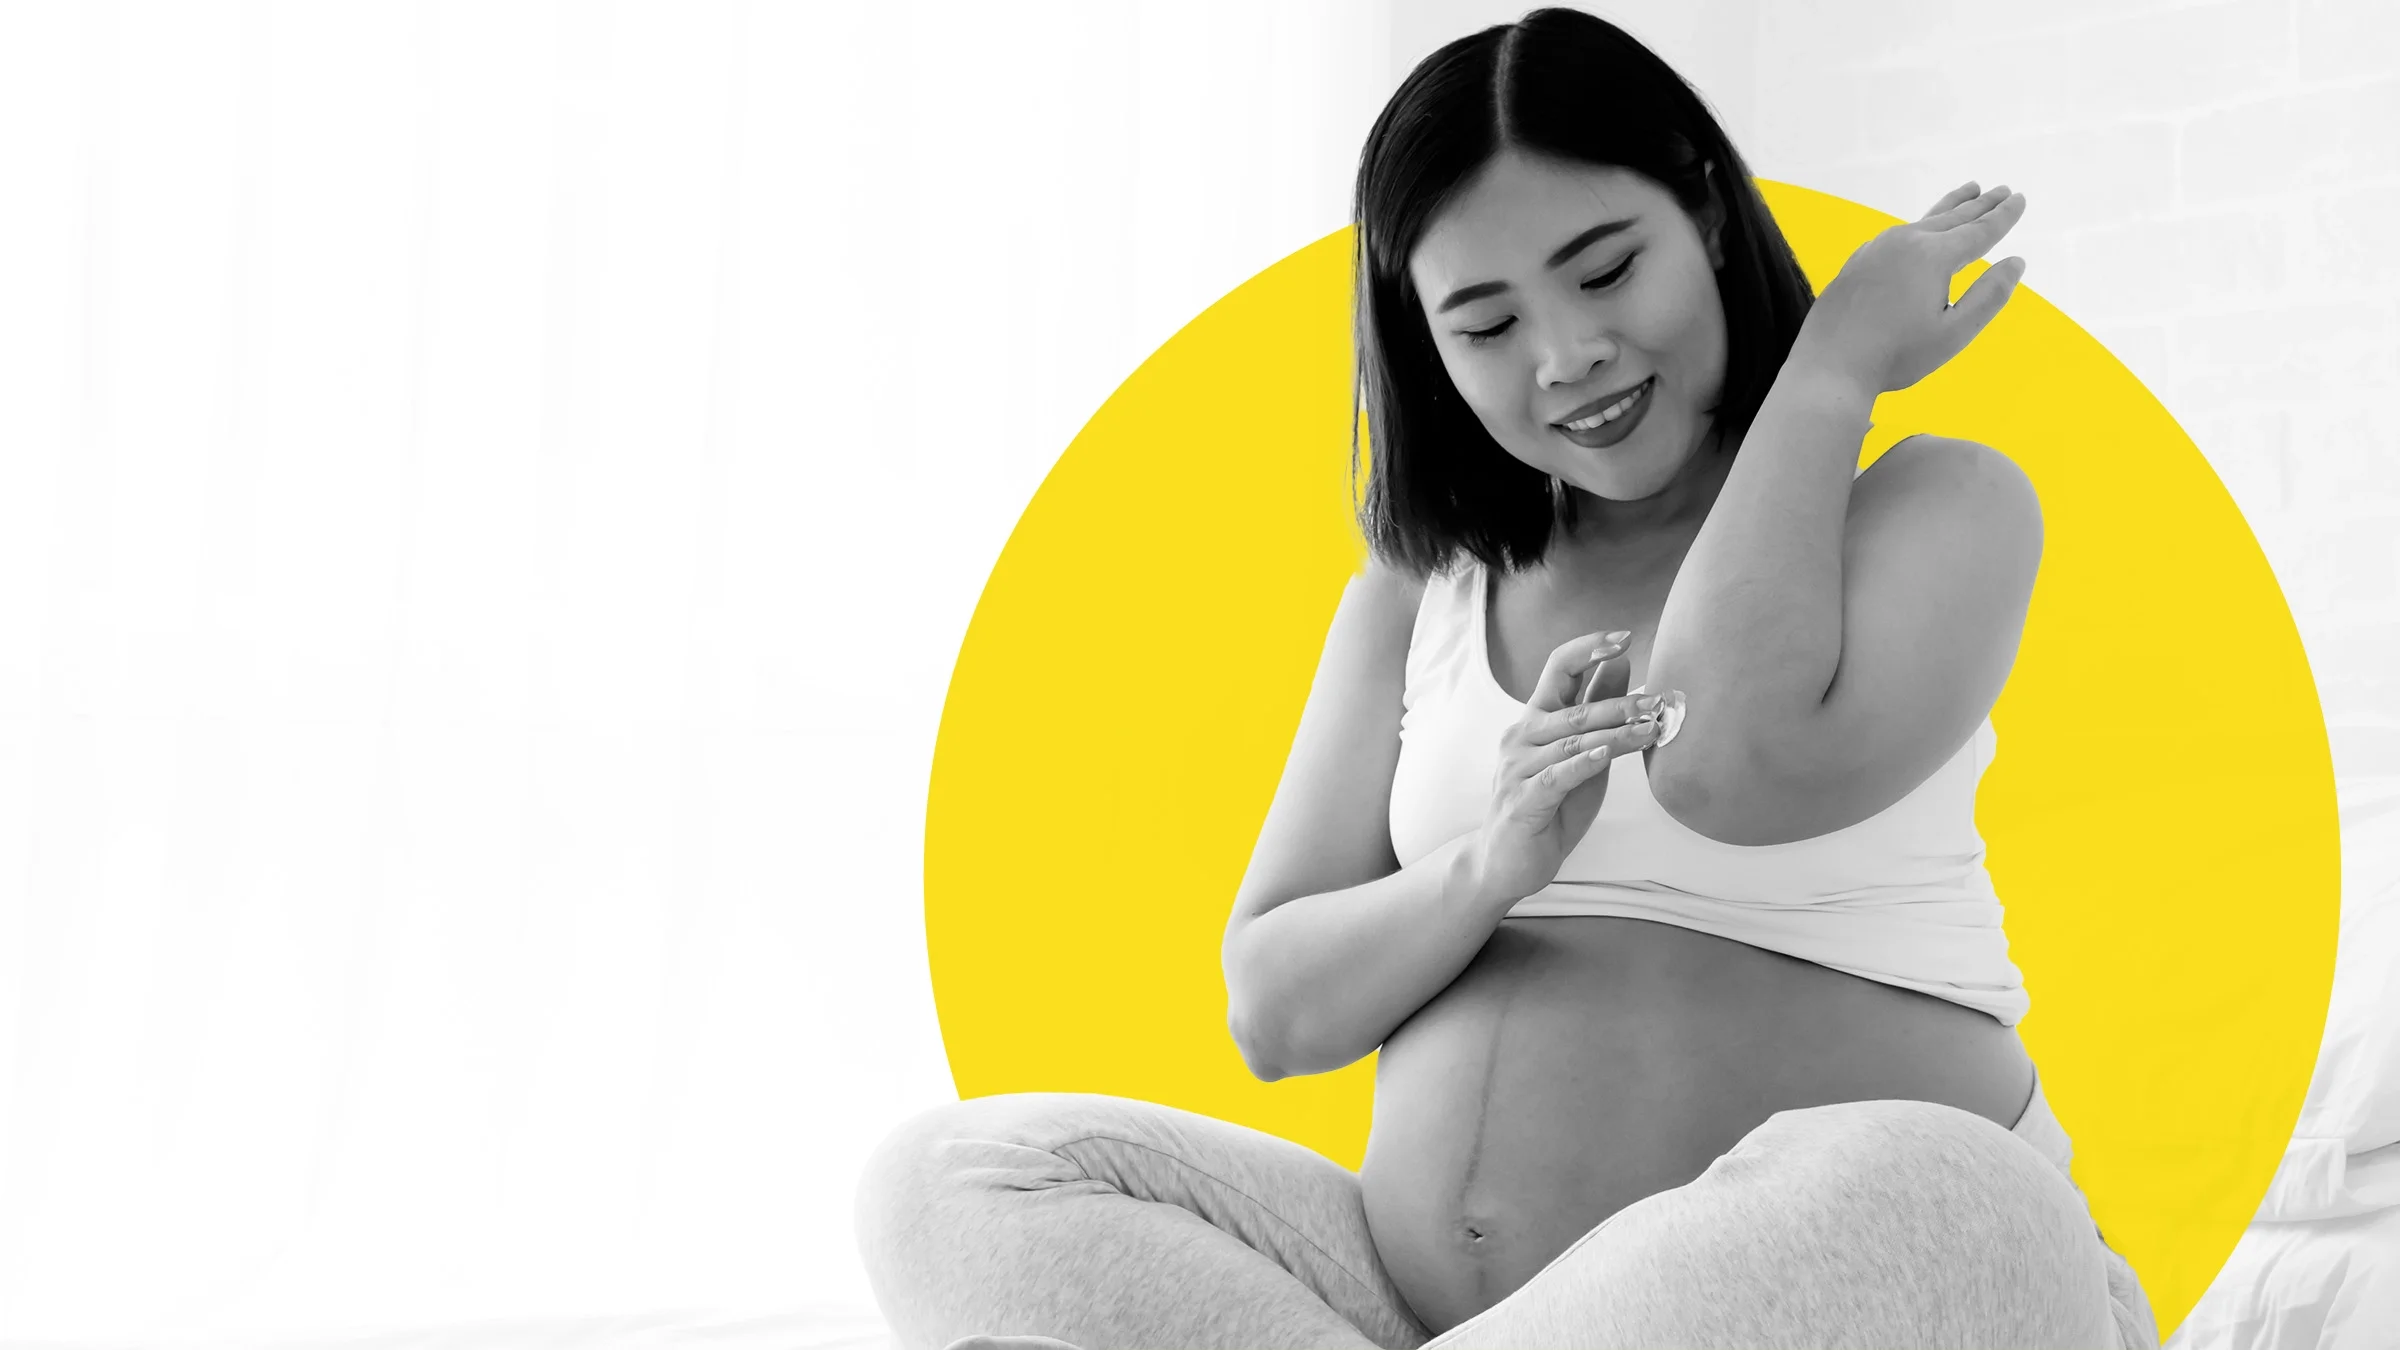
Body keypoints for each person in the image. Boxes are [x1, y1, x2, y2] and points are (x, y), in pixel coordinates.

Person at [853, 9, 2159, 1348]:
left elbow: (1732, 758)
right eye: (1485, 324)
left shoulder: (1932, 508)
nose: (1566, 358)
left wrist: (1829, 368)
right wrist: (1489, 866)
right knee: (951, 1181)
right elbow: (1278, 1005)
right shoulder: (1420, 595)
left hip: (1874, 1277)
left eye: (1604, 273)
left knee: (1929, 1185)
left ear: (1708, 215)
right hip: (1421, 1302)